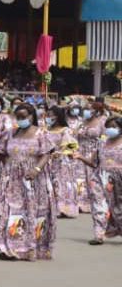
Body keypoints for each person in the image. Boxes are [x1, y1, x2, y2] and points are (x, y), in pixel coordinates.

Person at [0, 103, 55, 261]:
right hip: (12, 179)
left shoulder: (41, 133)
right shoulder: (10, 133)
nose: (20, 119)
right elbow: (0, 155)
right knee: (8, 212)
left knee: (31, 212)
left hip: (33, 179)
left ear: (31, 116)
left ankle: (29, 248)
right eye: (17, 117)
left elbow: (46, 153)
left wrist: (36, 169)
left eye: (23, 117)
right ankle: (9, 248)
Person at [73, 117, 122, 245]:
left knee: (119, 209)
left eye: (114, 126)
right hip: (100, 178)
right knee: (98, 205)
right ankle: (99, 235)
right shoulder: (101, 143)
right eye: (108, 127)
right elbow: (94, 163)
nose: (110, 129)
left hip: (119, 180)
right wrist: (80, 157)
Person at [43, 106, 81, 218]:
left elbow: (73, 145)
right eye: (47, 115)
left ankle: (63, 208)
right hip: (46, 161)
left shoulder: (65, 130)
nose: (48, 117)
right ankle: (50, 208)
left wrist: (61, 152)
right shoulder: (44, 130)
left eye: (50, 115)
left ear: (58, 116)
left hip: (61, 162)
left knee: (61, 184)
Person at [76, 97, 109, 215]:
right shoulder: (81, 122)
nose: (86, 111)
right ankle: (81, 204)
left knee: (92, 179)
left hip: (94, 153)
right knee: (79, 179)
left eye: (89, 109)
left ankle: (94, 203)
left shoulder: (102, 121)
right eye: (85, 109)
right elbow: (75, 136)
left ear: (96, 111)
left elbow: (106, 138)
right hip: (80, 153)